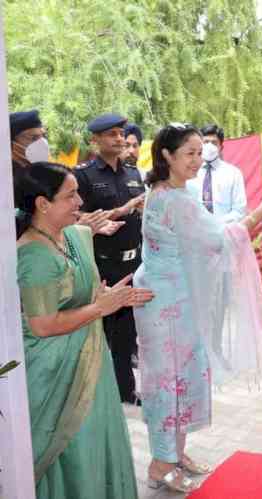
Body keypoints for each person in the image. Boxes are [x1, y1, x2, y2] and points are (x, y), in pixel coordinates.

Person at [134, 123, 262, 493]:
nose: (199, 160)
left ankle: (175, 452)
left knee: (184, 376)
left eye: (201, 152)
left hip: (178, 300)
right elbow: (219, 239)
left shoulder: (176, 192)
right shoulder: (172, 199)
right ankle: (161, 462)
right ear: (166, 156)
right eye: (190, 153)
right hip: (167, 306)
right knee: (167, 383)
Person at [15, 161, 153, 499]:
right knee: (73, 449)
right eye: (71, 195)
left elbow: (75, 296)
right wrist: (101, 307)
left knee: (95, 443)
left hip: (89, 362)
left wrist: (107, 297)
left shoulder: (71, 237)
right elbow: (43, 325)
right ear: (42, 204)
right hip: (55, 373)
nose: (79, 202)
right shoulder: (33, 255)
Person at [74, 113, 147, 404]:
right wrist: (123, 210)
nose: (119, 139)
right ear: (95, 140)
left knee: (127, 333)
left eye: (121, 133)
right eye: (111, 135)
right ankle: (96, 393)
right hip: (102, 261)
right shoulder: (83, 175)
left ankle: (125, 391)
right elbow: (75, 215)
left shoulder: (133, 174)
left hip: (133, 262)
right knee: (101, 330)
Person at [10, 110, 117, 235]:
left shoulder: (40, 175)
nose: (41, 143)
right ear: (10, 142)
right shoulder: (8, 183)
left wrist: (85, 226)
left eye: (43, 136)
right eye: (33, 138)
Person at [186, 124, 247, 223]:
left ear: (221, 147)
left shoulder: (233, 174)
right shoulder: (188, 171)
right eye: (205, 142)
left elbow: (239, 211)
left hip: (224, 232)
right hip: (192, 232)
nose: (209, 146)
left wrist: (215, 225)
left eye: (214, 143)